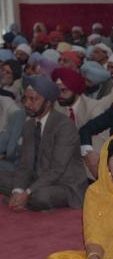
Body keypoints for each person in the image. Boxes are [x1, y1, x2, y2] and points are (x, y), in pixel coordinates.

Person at [0, 75, 87, 211]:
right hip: (37, 179)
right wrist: (18, 191)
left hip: (64, 183)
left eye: (33, 99)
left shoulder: (64, 126)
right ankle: (23, 199)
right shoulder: (29, 125)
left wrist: (27, 192)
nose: (27, 104)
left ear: (48, 103)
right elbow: (25, 165)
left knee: (41, 196)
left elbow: (57, 170)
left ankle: (26, 201)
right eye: (25, 99)